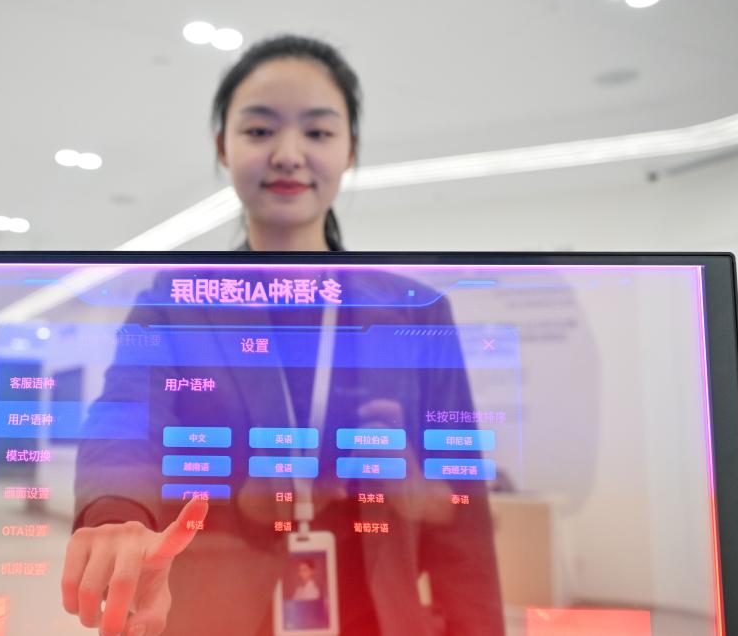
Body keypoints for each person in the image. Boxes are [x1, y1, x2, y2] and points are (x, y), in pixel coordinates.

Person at [63, 35, 503, 636]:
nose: (289, 154)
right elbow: (124, 419)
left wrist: (417, 490)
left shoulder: (416, 312)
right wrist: (117, 513)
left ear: (350, 150)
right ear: (223, 146)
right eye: (259, 130)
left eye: (318, 132)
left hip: (379, 619)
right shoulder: (175, 303)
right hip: (220, 615)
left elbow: (465, 516)